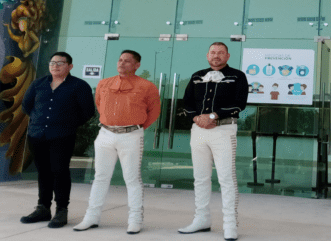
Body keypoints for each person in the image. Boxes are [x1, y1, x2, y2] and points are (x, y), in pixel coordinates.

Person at [73, 50, 161, 234]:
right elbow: (99, 104)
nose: (121, 63)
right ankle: (91, 217)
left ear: (137, 65)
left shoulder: (147, 86)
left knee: (132, 179)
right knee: (100, 177)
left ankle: (135, 219)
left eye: (127, 61)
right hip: (105, 134)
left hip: (131, 135)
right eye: (120, 60)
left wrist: (134, 127)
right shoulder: (104, 83)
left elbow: (154, 112)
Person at [178, 42, 248, 241]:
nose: (216, 56)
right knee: (200, 177)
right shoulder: (197, 75)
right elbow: (187, 103)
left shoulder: (238, 76)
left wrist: (213, 116)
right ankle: (201, 220)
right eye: (213, 52)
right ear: (207, 55)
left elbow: (239, 104)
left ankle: (230, 225)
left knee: (226, 178)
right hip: (198, 130)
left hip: (224, 129)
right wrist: (196, 118)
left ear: (228, 56)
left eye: (221, 53)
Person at [20, 52, 95, 228]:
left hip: (62, 136)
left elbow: (88, 112)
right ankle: (43, 208)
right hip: (37, 135)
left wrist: (67, 124)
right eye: (52, 62)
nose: (55, 66)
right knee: (43, 172)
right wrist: (40, 120)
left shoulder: (79, 86)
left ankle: (62, 211)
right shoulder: (38, 84)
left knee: (60, 172)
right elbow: (26, 105)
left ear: (70, 66)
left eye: (60, 63)